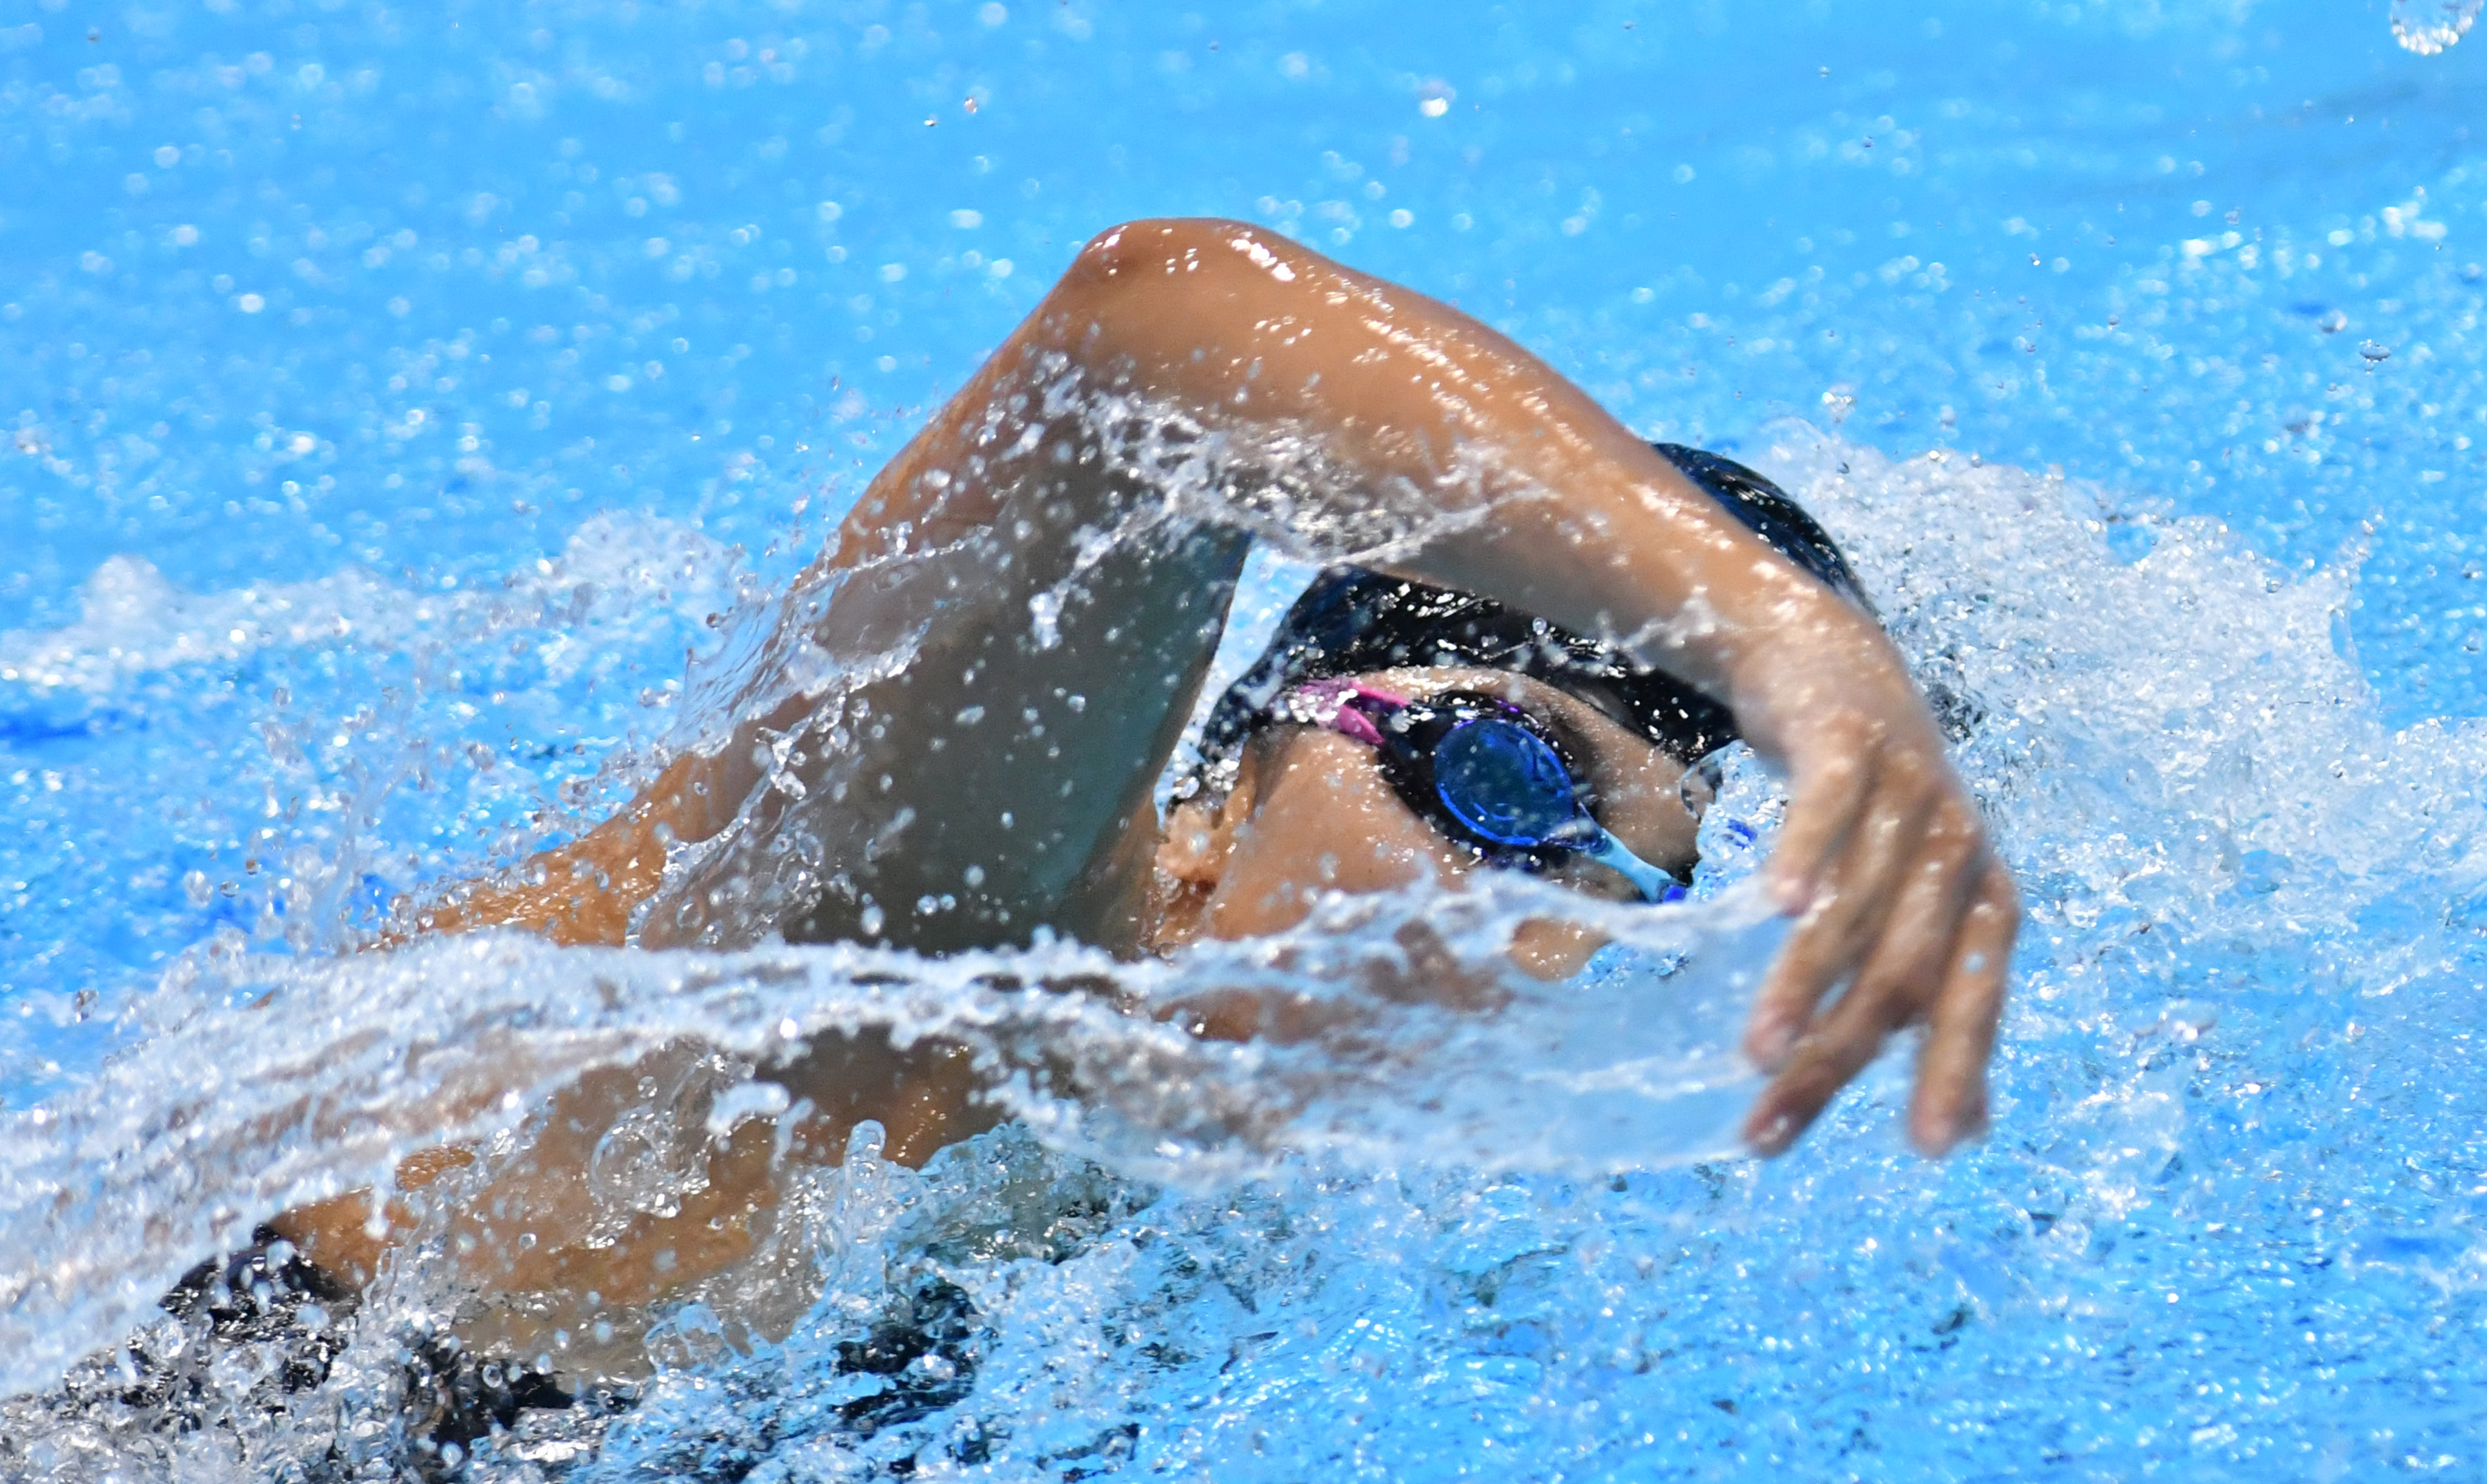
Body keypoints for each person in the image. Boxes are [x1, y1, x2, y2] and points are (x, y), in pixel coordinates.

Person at [264, 219, 2018, 1335]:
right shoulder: (920, 955)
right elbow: (1144, 343)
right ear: (1215, 799)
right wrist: (1792, 654)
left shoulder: (1191, 1193)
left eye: (1628, 885)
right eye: (1492, 777)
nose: (1531, 936)